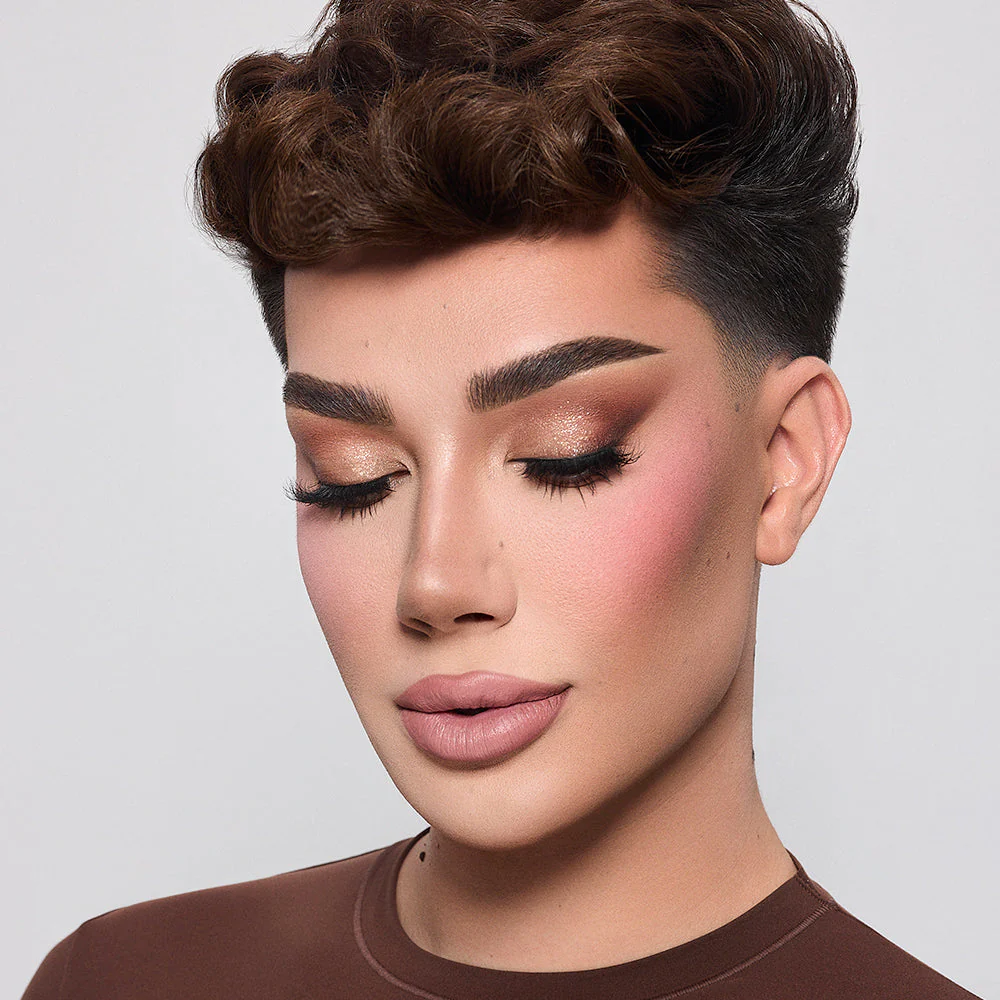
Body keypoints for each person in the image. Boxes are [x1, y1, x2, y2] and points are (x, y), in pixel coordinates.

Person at [19, 1, 984, 997]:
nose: (435, 584)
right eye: (352, 478)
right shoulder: (121, 982)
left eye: (565, 458)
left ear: (785, 461)